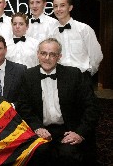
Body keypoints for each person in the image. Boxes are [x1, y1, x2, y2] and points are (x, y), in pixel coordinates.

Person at [17, 38, 100, 166]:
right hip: (41, 129)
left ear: (59, 57)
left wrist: (79, 133)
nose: (47, 58)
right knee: (37, 153)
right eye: (43, 53)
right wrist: (36, 127)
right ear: (38, 54)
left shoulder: (74, 74)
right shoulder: (28, 76)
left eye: (52, 54)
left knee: (68, 154)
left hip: (68, 129)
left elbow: (91, 107)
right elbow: (23, 107)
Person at [51, 0, 103, 80]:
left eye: (62, 5)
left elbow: (96, 55)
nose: (58, 9)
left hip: (82, 76)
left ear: (70, 7)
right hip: (60, 77)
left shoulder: (84, 29)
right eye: (55, 6)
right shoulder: (52, 33)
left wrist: (89, 72)